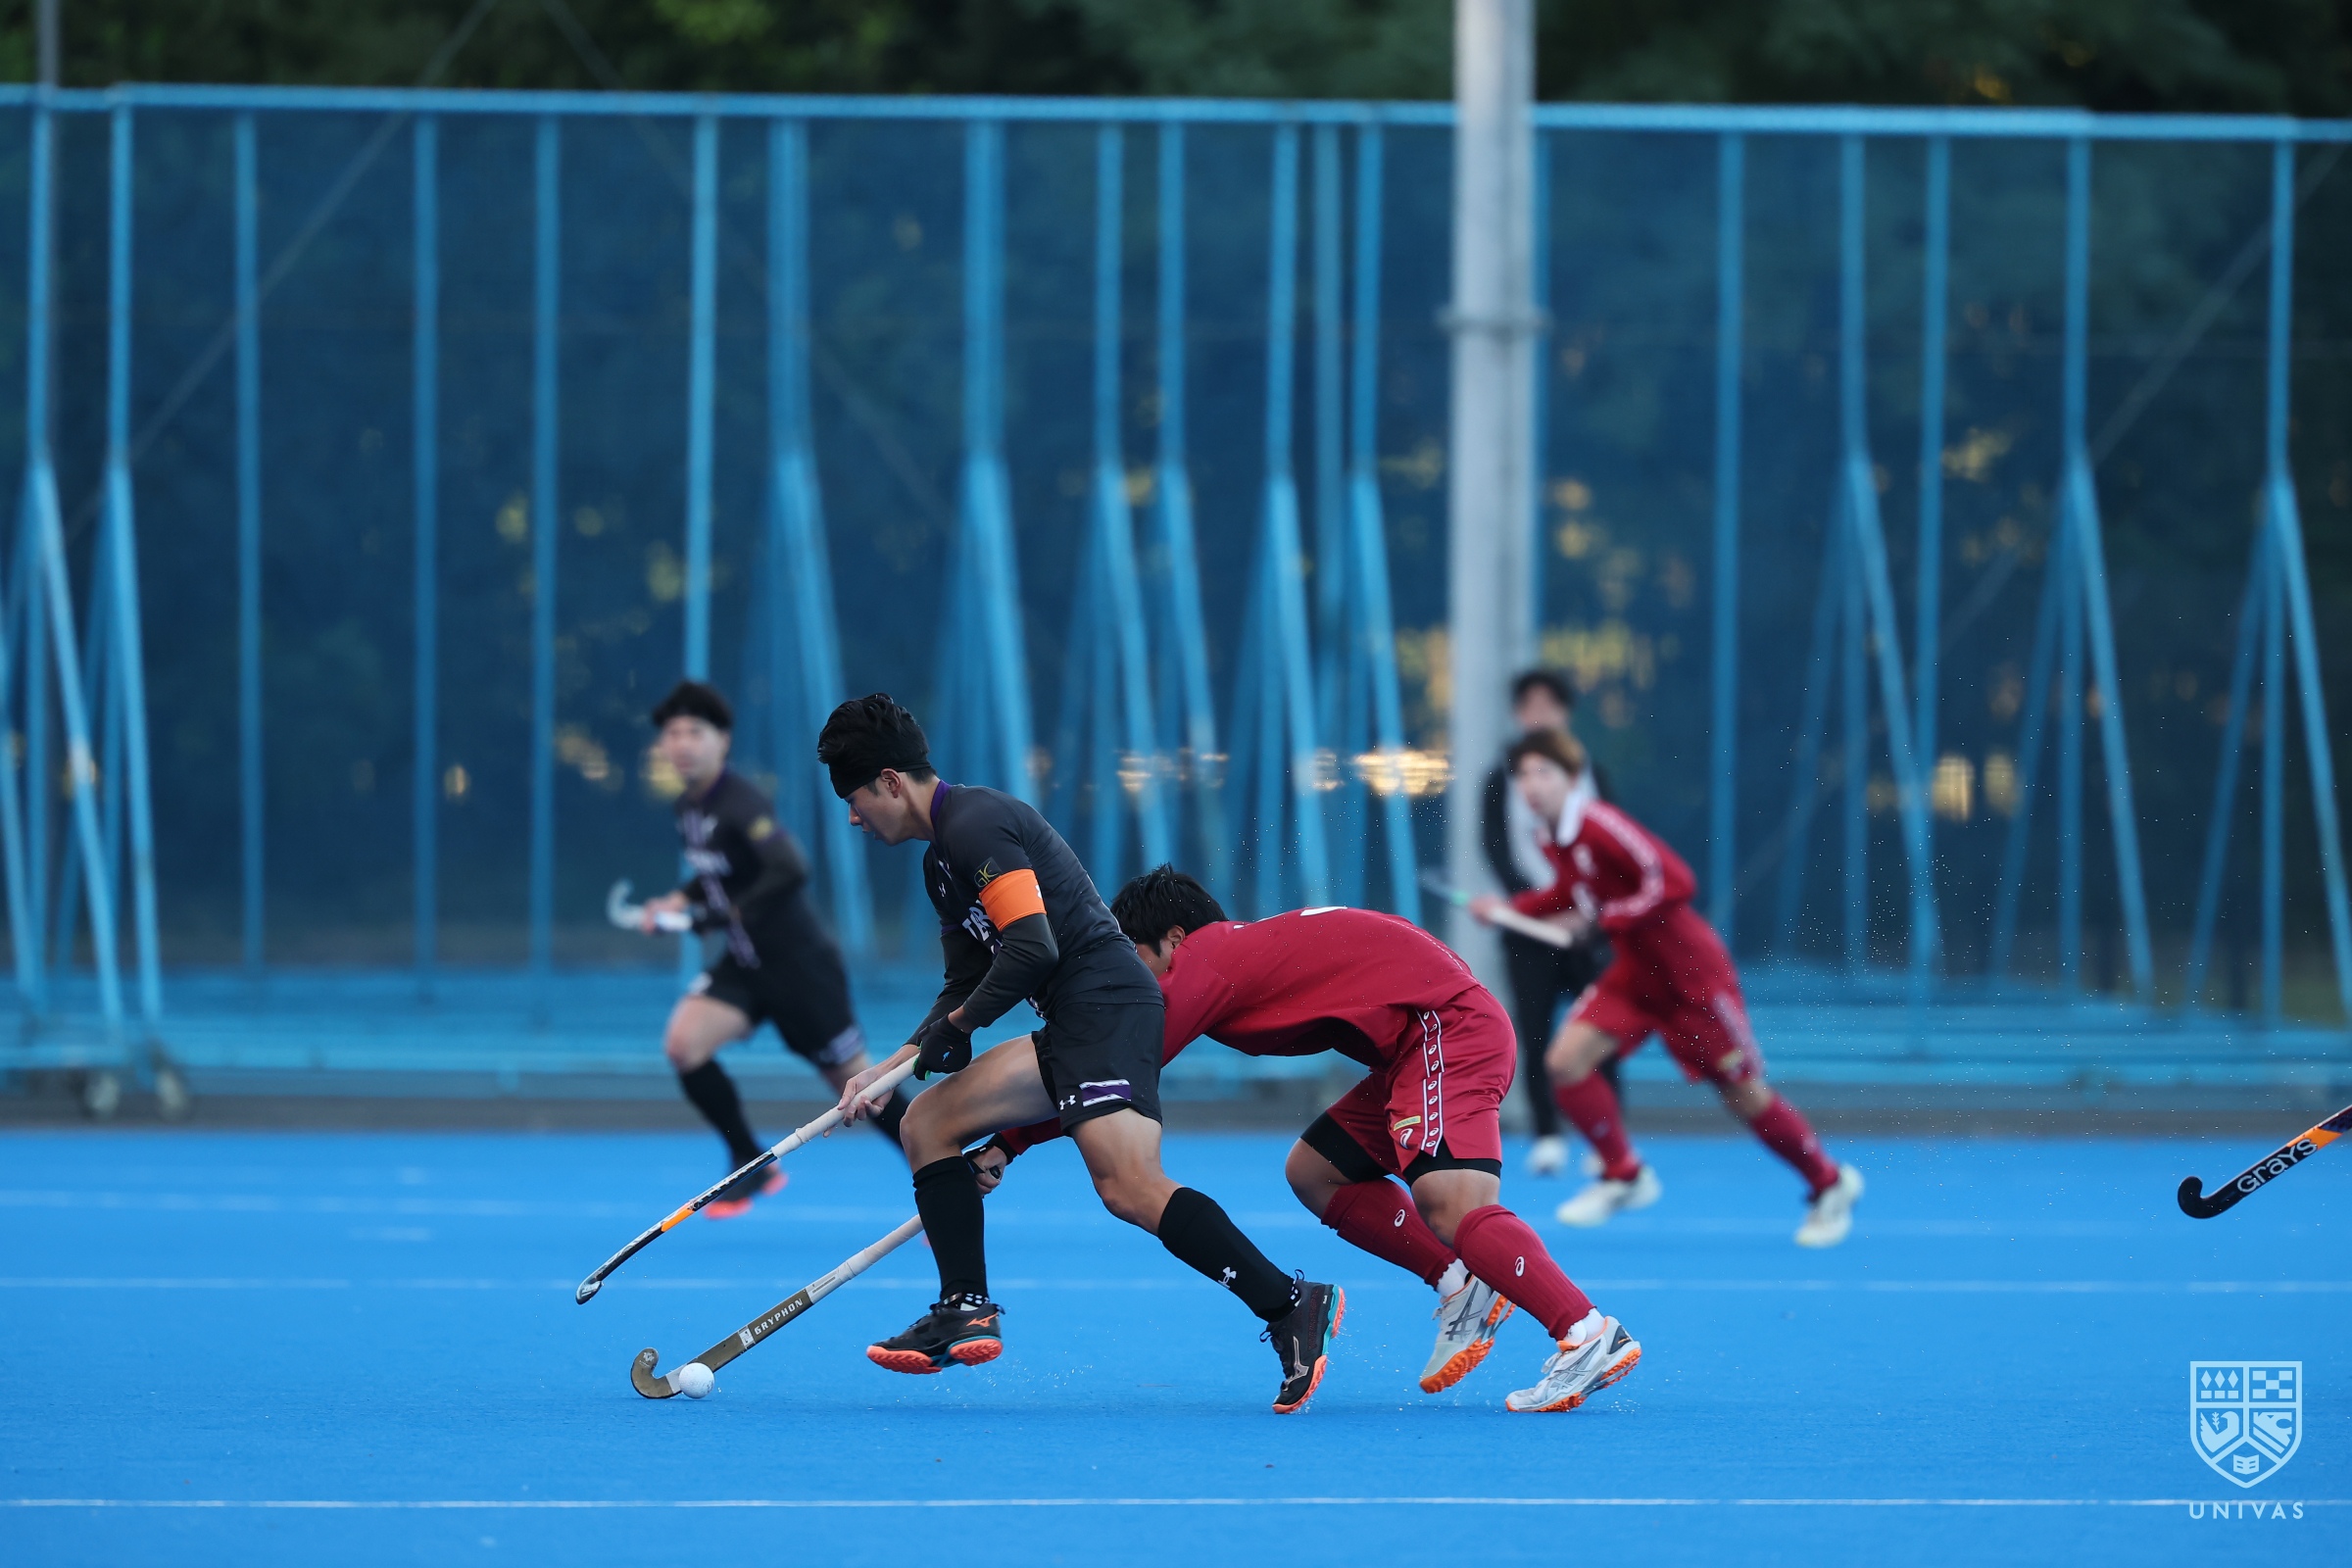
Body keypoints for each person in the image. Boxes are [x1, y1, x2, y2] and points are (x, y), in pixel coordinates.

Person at [818, 695, 1342, 1413]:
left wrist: (961, 1027)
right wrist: (898, 1061)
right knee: (926, 1122)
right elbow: (964, 980)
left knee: (1130, 1187)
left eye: (854, 801)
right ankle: (965, 1307)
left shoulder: (975, 825)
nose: (854, 819)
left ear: (889, 782)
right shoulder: (941, 863)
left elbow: (1033, 946)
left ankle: (1290, 1304)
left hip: (1108, 1010)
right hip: (1075, 1021)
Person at [976, 867, 1643, 1414]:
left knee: (1453, 1204)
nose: (1133, 984)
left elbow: (1120, 1066)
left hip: (1445, 1031)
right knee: (1316, 1171)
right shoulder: (1231, 953)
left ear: (1175, 939)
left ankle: (1586, 1333)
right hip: (1412, 1048)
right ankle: (1459, 1283)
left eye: (1136, 962)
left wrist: (1010, 1139)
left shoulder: (1207, 959)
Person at [1471, 728, 1864, 1247]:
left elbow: (1675, 881)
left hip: (1691, 979)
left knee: (1742, 1094)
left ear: (1571, 778)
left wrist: (1611, 917)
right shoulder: (1553, 838)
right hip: (1635, 976)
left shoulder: (1600, 823)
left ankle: (1828, 1184)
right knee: (1565, 1062)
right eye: (1523, 775)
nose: (1532, 784)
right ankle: (1624, 1175)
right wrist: (1511, 910)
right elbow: (1572, 893)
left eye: (1544, 772)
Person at [637, 680, 908, 1220]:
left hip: (799, 970)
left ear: (722, 741)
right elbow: (717, 872)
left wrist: (722, 914)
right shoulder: (687, 807)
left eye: (695, 732)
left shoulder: (740, 802)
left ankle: (946, 1171)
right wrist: (678, 900)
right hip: (745, 966)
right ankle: (750, 1161)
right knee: (684, 1044)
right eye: (673, 733)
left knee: (859, 1087)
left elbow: (789, 867)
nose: (683, 743)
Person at [1480, 669, 1619, 1178]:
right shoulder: (1499, 780)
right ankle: (1547, 1135)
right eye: (1529, 706)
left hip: (1589, 931)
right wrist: (1529, 908)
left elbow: (1608, 859)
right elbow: (1496, 847)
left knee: (1601, 1033)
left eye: (1549, 706)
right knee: (1534, 1033)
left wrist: (1588, 911)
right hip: (1529, 935)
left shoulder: (1594, 775)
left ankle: (1608, 1142)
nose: (1534, 787)